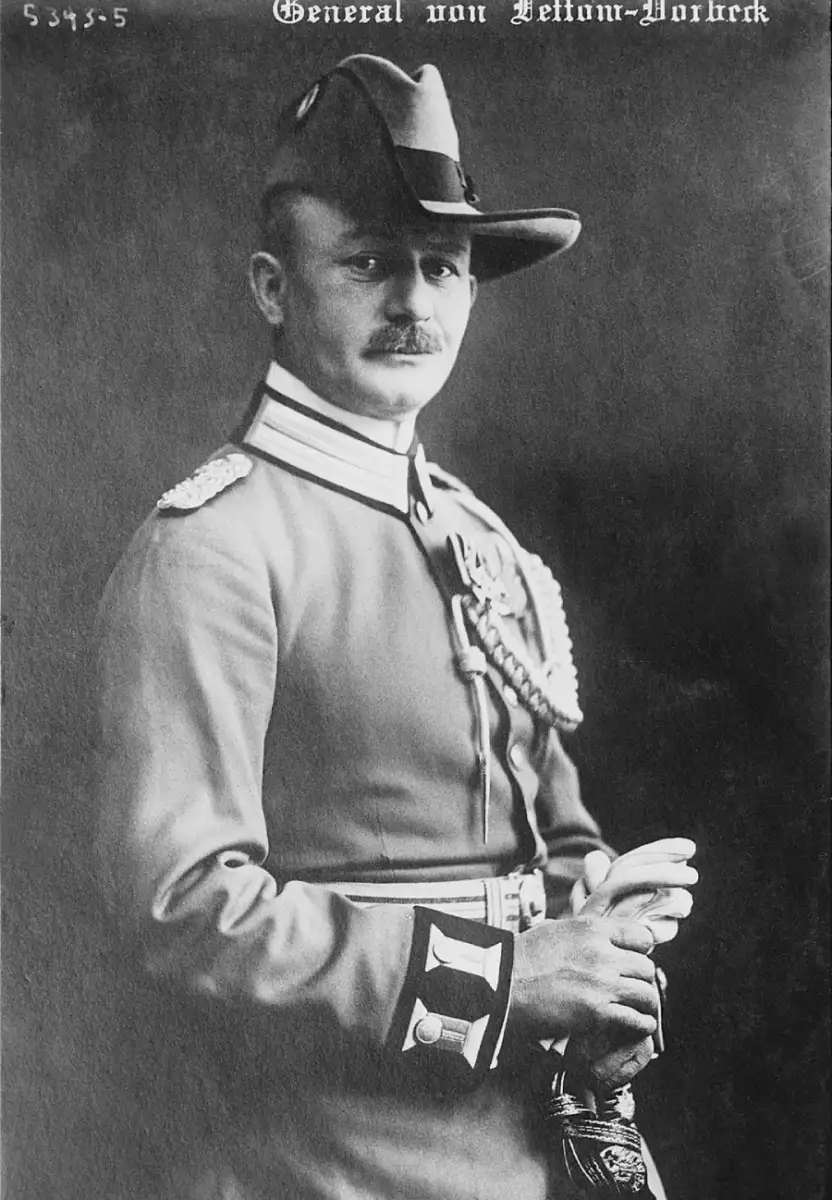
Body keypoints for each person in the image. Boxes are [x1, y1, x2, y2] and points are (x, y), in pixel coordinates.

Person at [95, 54, 697, 1200]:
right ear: (273, 288)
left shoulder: (483, 542)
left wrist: (603, 935)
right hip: (319, 1159)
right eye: (370, 262)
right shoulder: (214, 548)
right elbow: (182, 908)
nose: (414, 304)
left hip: (524, 1144)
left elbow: (555, 836)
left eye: (441, 267)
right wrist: (505, 980)